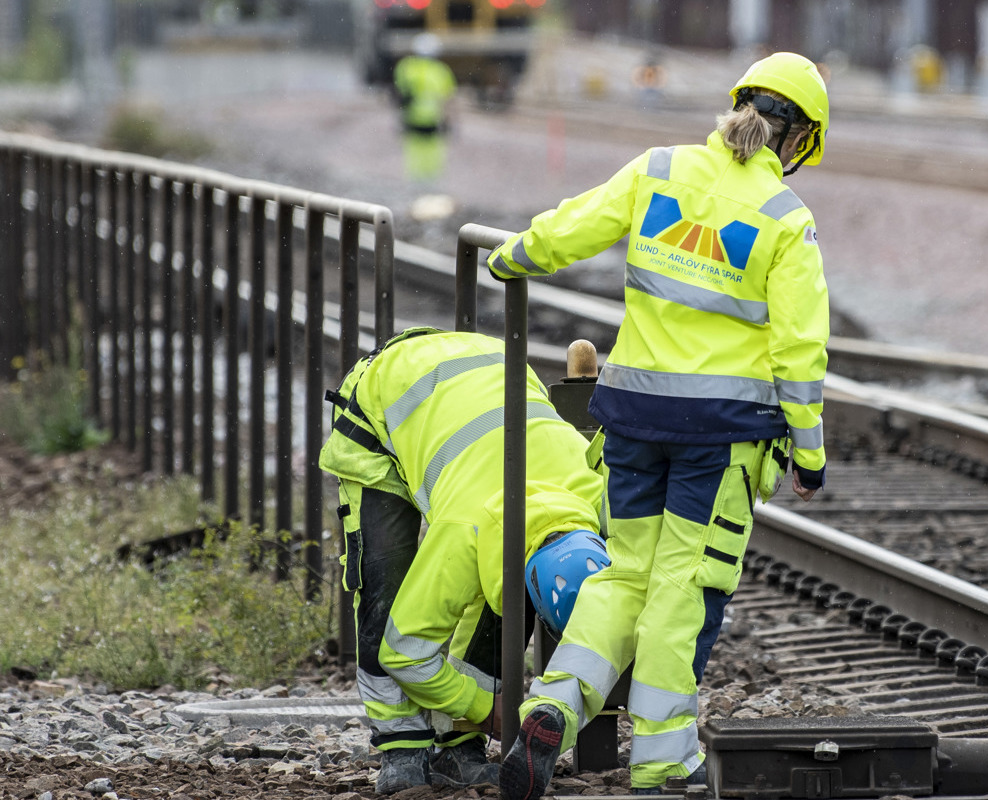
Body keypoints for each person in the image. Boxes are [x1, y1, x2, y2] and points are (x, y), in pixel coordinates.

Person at [486, 52, 831, 800]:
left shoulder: (660, 169)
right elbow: (800, 352)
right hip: (720, 435)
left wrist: (512, 256)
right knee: (684, 586)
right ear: (800, 139)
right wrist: (809, 452)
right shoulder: (784, 219)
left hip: (635, 419)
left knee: (625, 576)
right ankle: (662, 758)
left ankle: (551, 705)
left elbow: (574, 229)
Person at [318, 327, 608, 794]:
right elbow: (405, 651)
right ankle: (401, 747)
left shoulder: (597, 492)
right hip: (385, 399)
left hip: (492, 362)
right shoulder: (464, 529)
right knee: (384, 589)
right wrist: (485, 706)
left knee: (501, 600)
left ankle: (459, 750)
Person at [393, 33, 457, 182]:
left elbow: (399, 95)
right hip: (433, 121)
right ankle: (430, 185)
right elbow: (448, 99)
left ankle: (415, 184)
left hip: (412, 119)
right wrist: (450, 121)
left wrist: (400, 114)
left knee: (414, 156)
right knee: (432, 158)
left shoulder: (406, 67)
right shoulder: (441, 70)